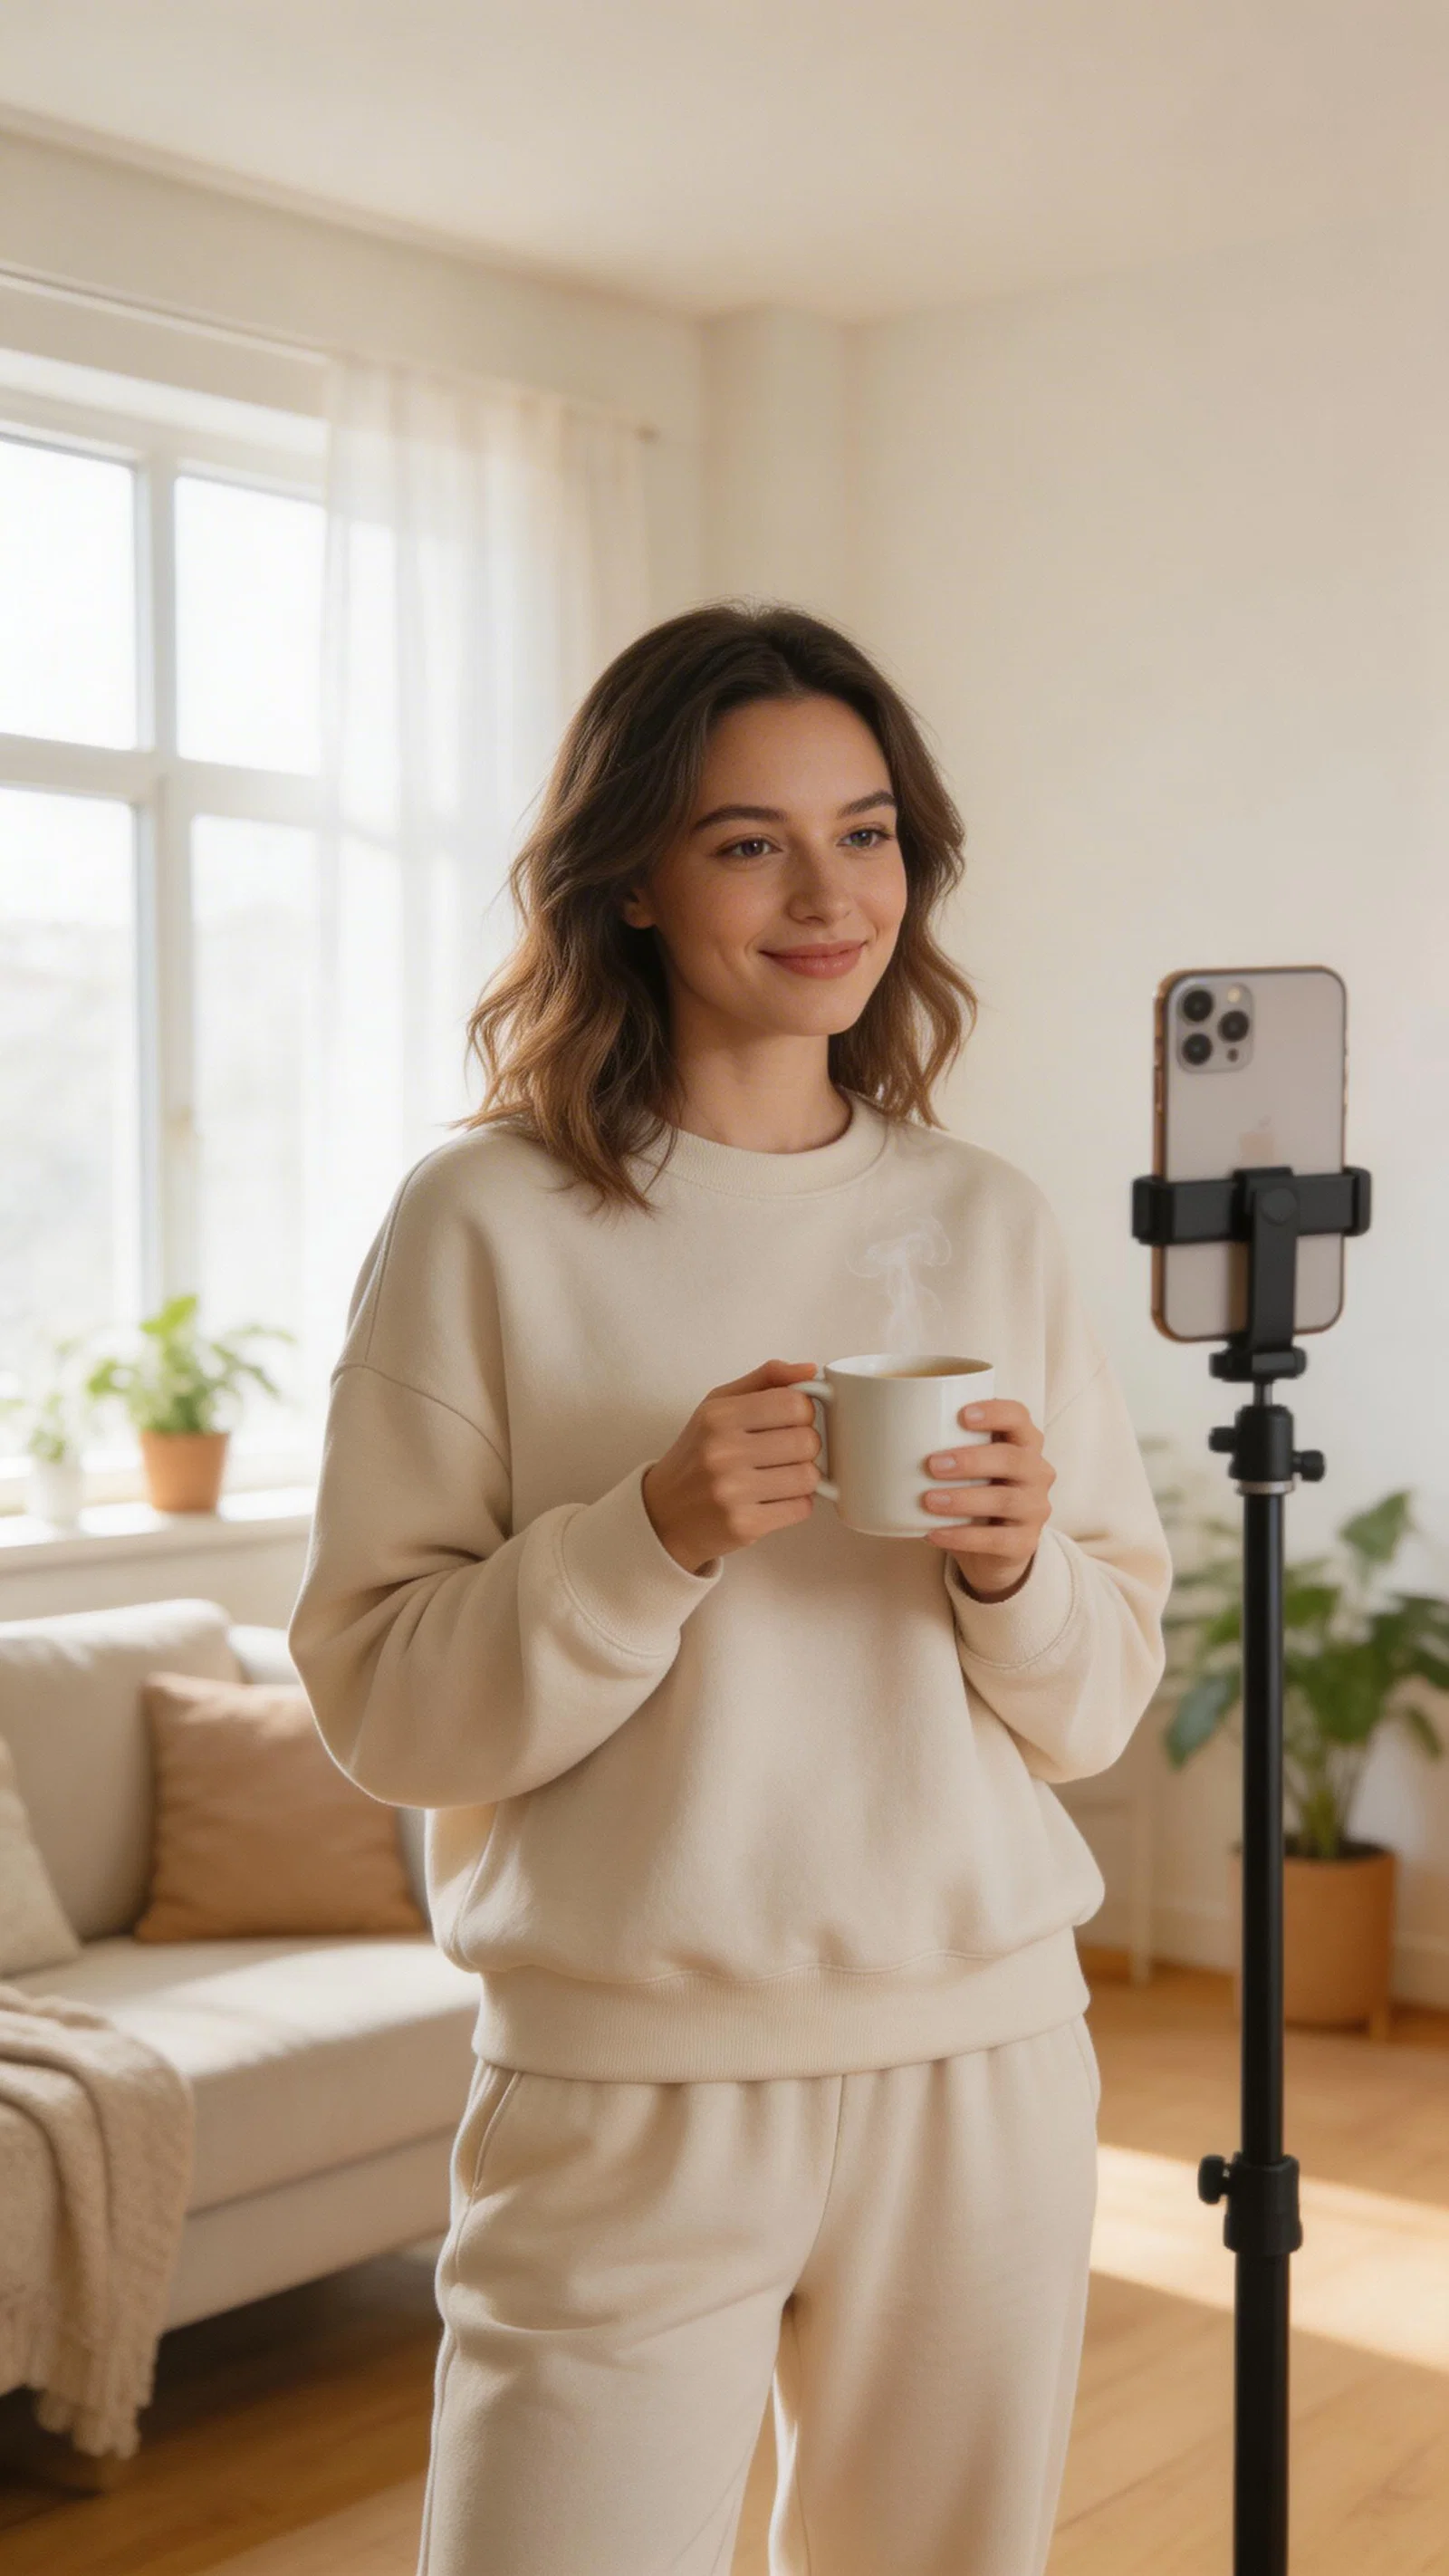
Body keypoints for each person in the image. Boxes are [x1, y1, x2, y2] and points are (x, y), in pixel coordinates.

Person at [288, 602, 1172, 2576]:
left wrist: (1015, 1567)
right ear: (629, 878)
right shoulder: (483, 1219)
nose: (827, 896)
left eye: (865, 834)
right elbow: (383, 1704)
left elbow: (1099, 1695)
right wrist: (652, 1533)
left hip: (980, 2065)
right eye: (748, 842)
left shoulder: (985, 1218)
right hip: (623, 2083)